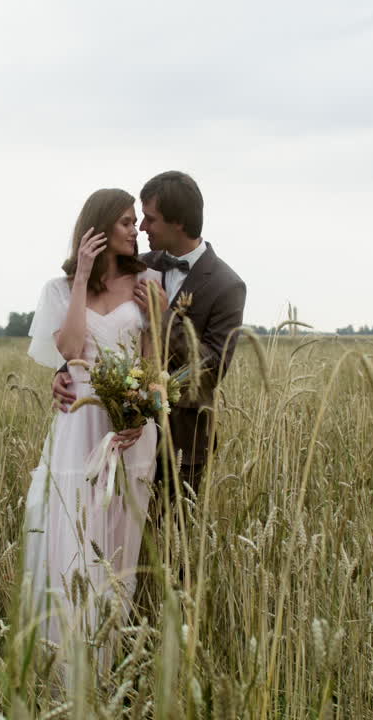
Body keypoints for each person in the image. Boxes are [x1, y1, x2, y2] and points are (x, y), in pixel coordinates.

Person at [21, 188, 164, 665]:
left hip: (129, 429)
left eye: (135, 221)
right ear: (99, 229)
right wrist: (82, 277)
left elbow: (152, 363)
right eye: (125, 221)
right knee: (77, 543)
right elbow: (70, 349)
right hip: (79, 425)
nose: (135, 229)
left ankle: (109, 666)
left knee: (119, 549)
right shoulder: (59, 289)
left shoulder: (147, 282)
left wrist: (141, 414)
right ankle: (70, 668)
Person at [53, 171, 246, 496]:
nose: (141, 228)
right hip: (115, 430)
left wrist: (164, 319)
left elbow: (211, 371)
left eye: (150, 219)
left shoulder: (227, 286)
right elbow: (105, 328)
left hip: (181, 442)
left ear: (178, 223)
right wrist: (68, 372)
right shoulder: (135, 265)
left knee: (172, 540)